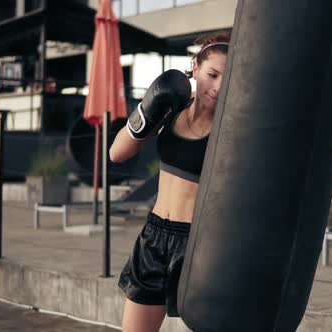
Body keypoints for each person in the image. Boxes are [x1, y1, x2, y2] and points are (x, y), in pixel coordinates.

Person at [110, 31, 230, 332]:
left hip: (199, 245)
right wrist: (147, 110)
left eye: (225, 79)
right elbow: (116, 153)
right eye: (212, 74)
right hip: (154, 235)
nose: (216, 87)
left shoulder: (232, 124)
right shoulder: (172, 105)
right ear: (195, 67)